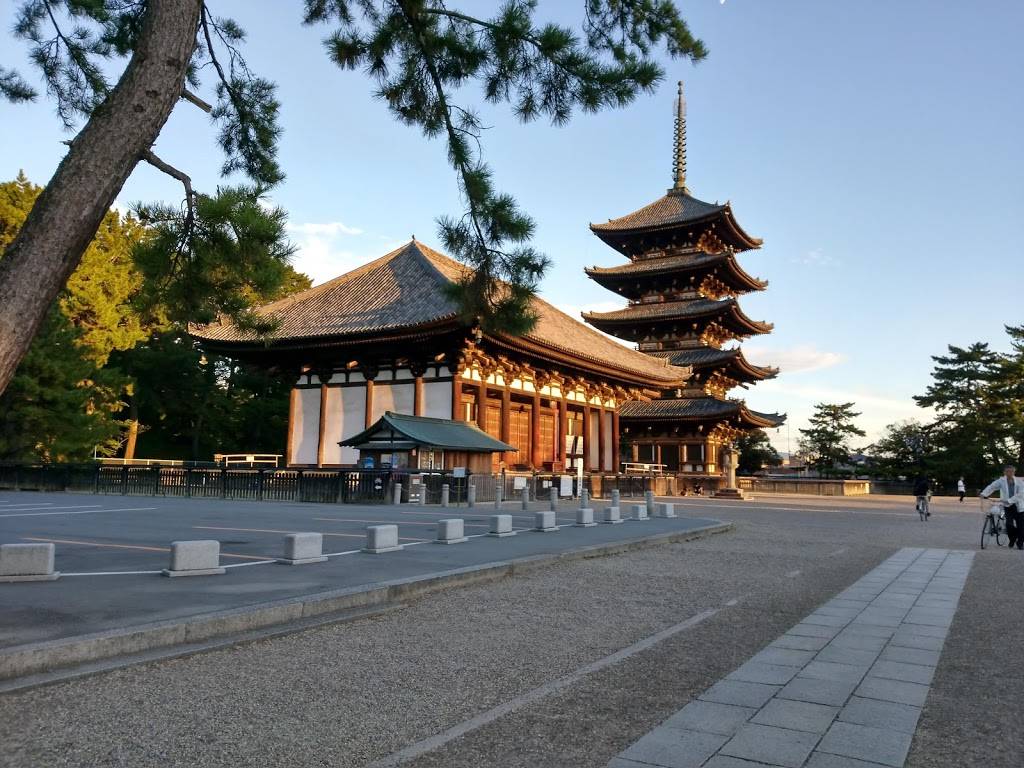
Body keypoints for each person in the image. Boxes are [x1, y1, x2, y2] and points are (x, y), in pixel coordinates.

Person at [980, 465, 1024, 550]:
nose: (1009, 473)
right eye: (1007, 471)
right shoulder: (1001, 481)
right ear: (1004, 472)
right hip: (1008, 506)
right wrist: (984, 493)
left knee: (1021, 526)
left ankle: (1020, 543)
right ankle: (1013, 538)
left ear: (1014, 472)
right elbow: (992, 487)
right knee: (1009, 525)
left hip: (1020, 506)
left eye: (1011, 471)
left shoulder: (1020, 482)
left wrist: (1010, 500)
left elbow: (1022, 494)